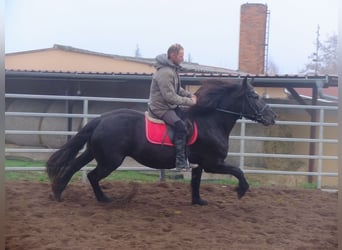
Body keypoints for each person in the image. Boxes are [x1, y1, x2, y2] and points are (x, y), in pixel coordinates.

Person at [148, 43, 197, 171]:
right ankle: (180, 162)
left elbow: (177, 89)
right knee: (180, 127)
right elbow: (169, 96)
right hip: (161, 108)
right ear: (172, 55)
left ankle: (187, 158)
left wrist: (191, 95)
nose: (182, 58)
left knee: (188, 122)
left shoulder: (172, 69)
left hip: (169, 106)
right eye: (181, 55)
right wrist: (190, 102)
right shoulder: (165, 72)